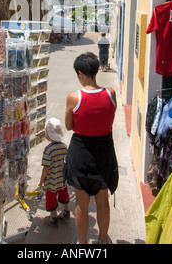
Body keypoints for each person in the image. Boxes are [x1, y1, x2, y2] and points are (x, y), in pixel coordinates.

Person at [64, 52, 119, 244]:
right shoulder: (110, 94)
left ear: (80, 74)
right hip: (104, 154)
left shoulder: (73, 97)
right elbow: (109, 118)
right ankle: (103, 240)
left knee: (82, 203)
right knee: (102, 202)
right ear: (95, 71)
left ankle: (82, 243)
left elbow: (69, 126)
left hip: (80, 156)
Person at [39, 117, 70, 227]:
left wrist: (42, 180)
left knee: (51, 197)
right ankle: (66, 211)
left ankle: (53, 217)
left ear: (49, 134)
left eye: (46, 131)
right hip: (62, 180)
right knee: (64, 193)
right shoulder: (64, 147)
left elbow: (46, 168)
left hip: (52, 181)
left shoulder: (48, 150)